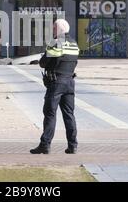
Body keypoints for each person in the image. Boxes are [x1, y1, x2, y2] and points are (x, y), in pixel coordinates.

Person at [30, 19, 79, 155]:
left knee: (50, 114)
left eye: (53, 28)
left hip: (56, 83)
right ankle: (73, 145)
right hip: (70, 82)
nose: (52, 31)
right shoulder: (74, 44)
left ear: (58, 29)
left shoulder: (56, 42)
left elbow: (43, 63)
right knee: (69, 114)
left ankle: (45, 145)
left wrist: (45, 56)